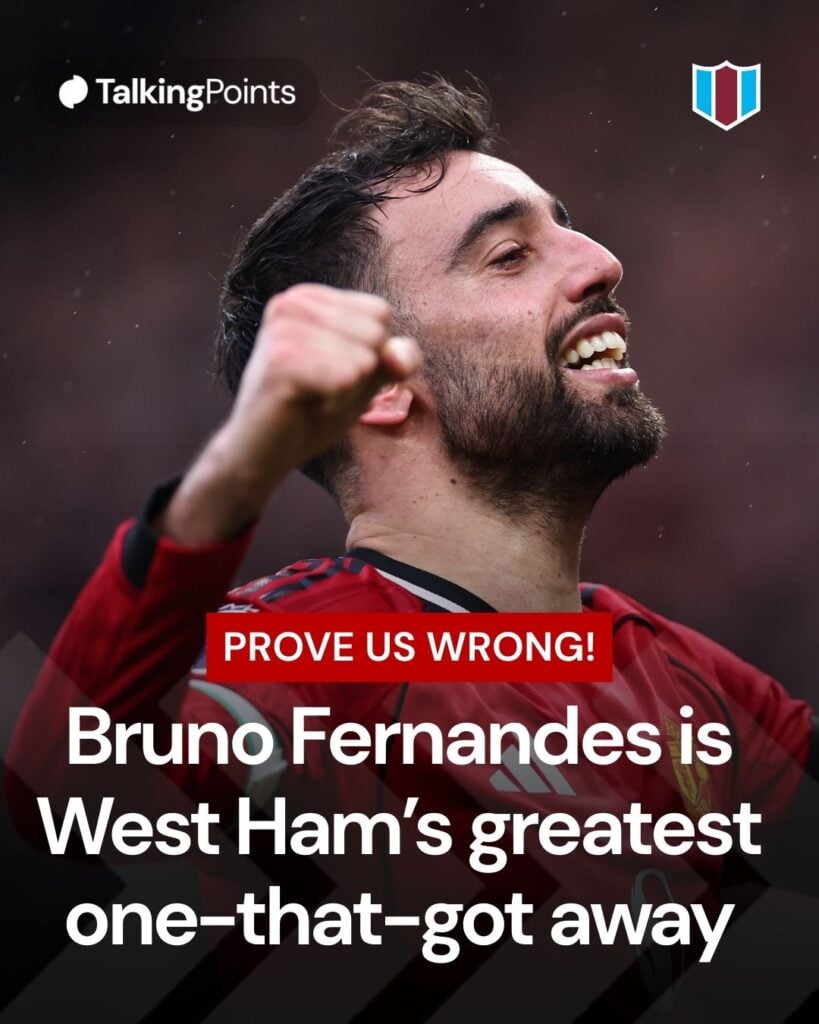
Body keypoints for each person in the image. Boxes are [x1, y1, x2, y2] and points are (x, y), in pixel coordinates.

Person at [6, 77, 817, 1022]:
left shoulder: (682, 677)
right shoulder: (316, 657)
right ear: (375, 384)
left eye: (571, 230)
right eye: (511, 255)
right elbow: (64, 782)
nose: (601, 262)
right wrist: (235, 472)